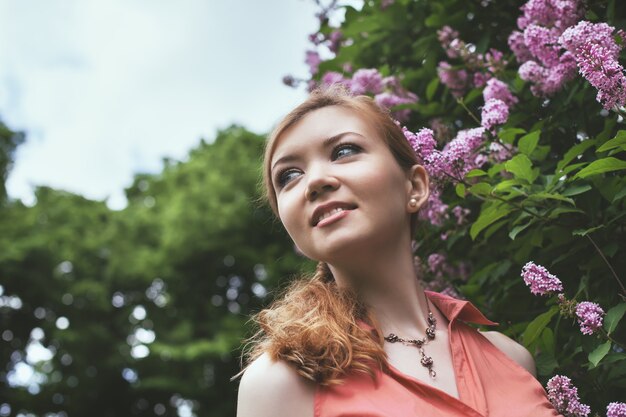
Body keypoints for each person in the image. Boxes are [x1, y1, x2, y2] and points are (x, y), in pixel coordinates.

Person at [235, 86, 561, 417]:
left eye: (344, 151)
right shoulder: (279, 384)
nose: (315, 181)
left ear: (415, 186)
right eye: (289, 175)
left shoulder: (512, 359)